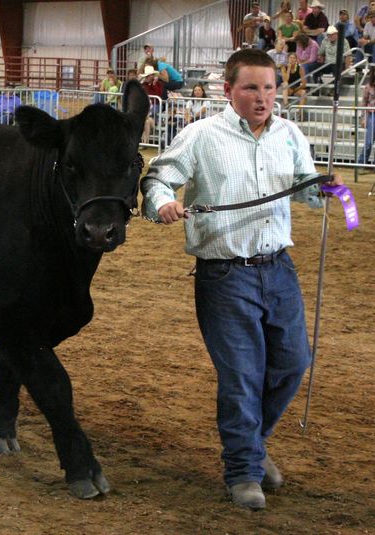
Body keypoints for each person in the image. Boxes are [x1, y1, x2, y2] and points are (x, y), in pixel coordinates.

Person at [140, 48, 344, 511]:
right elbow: (157, 179)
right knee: (242, 377)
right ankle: (243, 470)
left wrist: (328, 190)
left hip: (279, 270)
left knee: (293, 364)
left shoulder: (289, 134)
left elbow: (308, 188)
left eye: (269, 87)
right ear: (228, 90)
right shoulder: (200, 135)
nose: (262, 97)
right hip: (225, 275)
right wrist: (163, 203)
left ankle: (252, 445)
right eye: (251, 87)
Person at [358, 66, 375, 169]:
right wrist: (363, 118)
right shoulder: (368, 87)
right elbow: (364, 103)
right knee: (368, 142)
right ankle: (360, 164)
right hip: (371, 114)